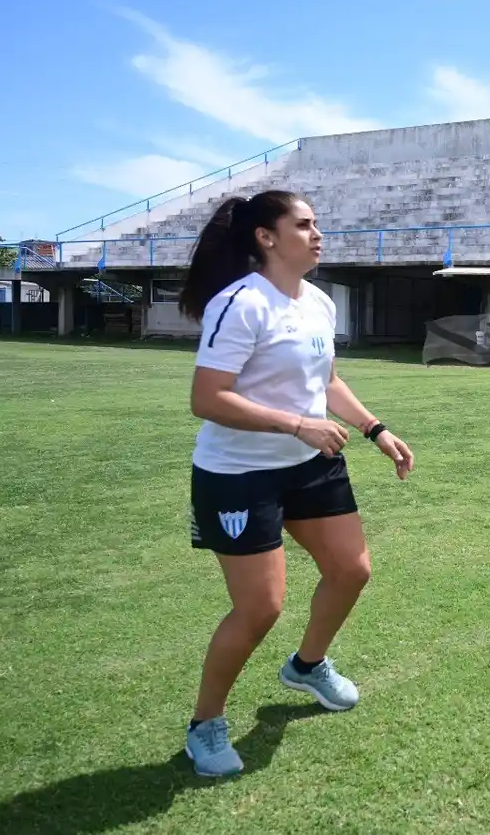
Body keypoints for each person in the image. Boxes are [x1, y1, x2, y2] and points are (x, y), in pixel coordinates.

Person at [176, 189, 415, 777]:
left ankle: (307, 666)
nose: (317, 234)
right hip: (238, 474)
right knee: (259, 608)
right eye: (304, 224)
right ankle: (205, 724)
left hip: (310, 464)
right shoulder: (240, 304)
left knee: (352, 570)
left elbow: (326, 380)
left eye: (317, 224)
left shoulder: (319, 302)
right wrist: (297, 424)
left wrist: (375, 428)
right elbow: (207, 398)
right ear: (266, 237)